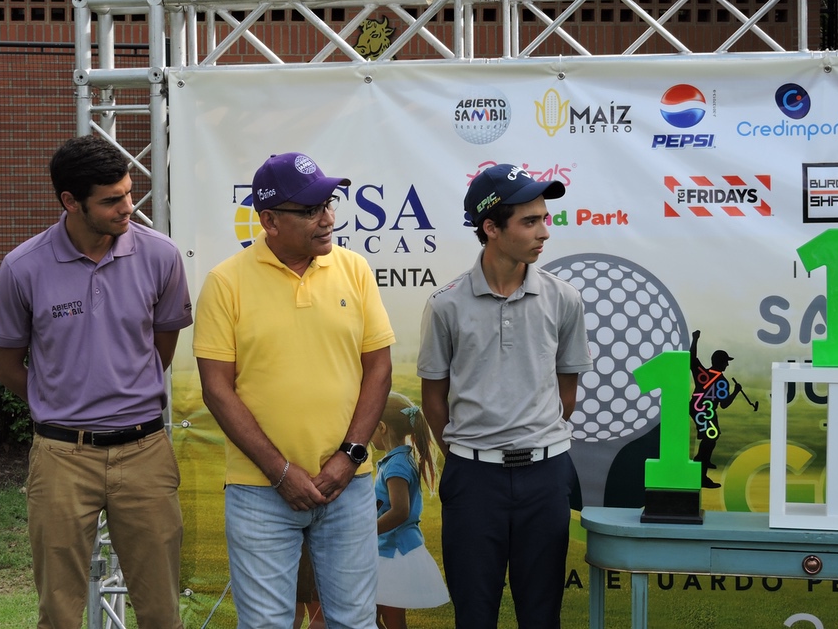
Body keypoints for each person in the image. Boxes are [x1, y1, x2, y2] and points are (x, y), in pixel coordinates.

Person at [0, 135, 192, 629]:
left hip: (145, 452)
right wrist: (61, 402)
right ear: (70, 202)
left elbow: (161, 348)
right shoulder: (22, 267)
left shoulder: (161, 255)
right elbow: (6, 365)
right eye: (112, 200)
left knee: (162, 611)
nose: (128, 207)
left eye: (129, 192)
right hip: (60, 457)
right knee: (58, 613)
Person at [193, 151, 396, 629]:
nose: (327, 219)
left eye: (328, 205)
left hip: (347, 486)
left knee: (355, 623)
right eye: (309, 211)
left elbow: (379, 369)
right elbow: (217, 389)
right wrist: (280, 471)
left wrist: (349, 457)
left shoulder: (355, 270)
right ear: (268, 221)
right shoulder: (225, 282)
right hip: (259, 491)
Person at [417, 163, 593, 629]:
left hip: (547, 477)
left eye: (544, 219)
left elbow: (566, 392)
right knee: (474, 616)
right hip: (473, 481)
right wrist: (468, 455)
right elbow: (433, 399)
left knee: (542, 616)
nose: (544, 232)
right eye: (530, 221)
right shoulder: (445, 304)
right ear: (491, 228)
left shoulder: (564, 298)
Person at [372, 392, 449, 629]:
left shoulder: (396, 464)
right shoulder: (399, 459)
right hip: (389, 550)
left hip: (393, 552)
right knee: (376, 618)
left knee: (383, 619)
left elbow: (400, 511)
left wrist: (365, 533)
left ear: (382, 427)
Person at [689, 329, 739, 489]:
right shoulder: (722, 381)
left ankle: (703, 459)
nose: (727, 364)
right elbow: (724, 404)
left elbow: (692, 359)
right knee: (710, 438)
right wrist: (736, 392)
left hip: (697, 407)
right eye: (726, 361)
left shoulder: (703, 373)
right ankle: (701, 471)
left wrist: (695, 339)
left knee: (712, 436)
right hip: (704, 410)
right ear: (720, 362)